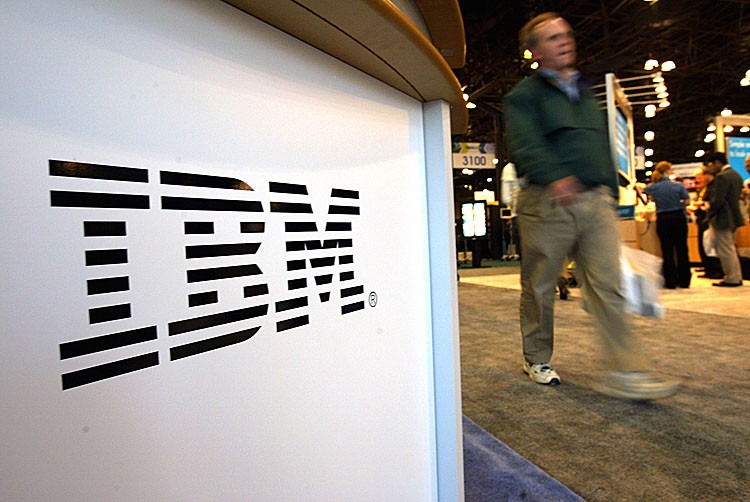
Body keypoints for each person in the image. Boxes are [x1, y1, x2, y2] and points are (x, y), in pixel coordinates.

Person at [503, 12, 679, 400]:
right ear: (535, 51)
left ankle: (628, 371)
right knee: (540, 286)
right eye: (552, 38)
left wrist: (610, 194)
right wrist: (556, 177)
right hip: (547, 202)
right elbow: (525, 146)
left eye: (566, 35)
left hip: (595, 202)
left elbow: (602, 147)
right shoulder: (523, 96)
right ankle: (537, 358)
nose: (564, 41)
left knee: (608, 286)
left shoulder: (587, 96)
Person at [643, 161, 691, 288]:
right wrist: (679, 204)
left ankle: (670, 281)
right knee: (682, 248)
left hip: (663, 219)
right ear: (667, 171)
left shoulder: (653, 187)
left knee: (667, 249)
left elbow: (643, 190)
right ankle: (685, 280)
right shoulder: (678, 186)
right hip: (678, 217)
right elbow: (687, 201)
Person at [705, 152, 743, 287]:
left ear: (717, 162)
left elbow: (718, 200)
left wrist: (709, 210)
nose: (710, 168)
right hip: (735, 216)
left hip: (723, 218)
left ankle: (731, 278)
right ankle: (736, 276)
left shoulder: (722, 177)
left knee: (725, 249)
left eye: (711, 164)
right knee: (731, 248)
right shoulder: (736, 175)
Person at [688, 165, 723, 278]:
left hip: (708, 220)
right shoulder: (703, 189)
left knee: (710, 245)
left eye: (700, 177)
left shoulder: (713, 188)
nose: (698, 180)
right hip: (702, 219)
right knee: (703, 245)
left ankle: (714, 270)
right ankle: (707, 267)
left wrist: (701, 205)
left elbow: (713, 203)